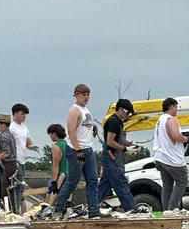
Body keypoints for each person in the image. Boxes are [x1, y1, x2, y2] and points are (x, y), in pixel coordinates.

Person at [53, 85, 100, 219]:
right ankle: (58, 208)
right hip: (75, 149)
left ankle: (94, 210)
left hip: (88, 148)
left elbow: (84, 127)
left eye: (88, 94)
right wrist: (78, 150)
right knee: (72, 180)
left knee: (92, 180)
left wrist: (92, 129)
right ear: (76, 95)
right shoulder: (74, 111)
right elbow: (71, 131)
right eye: (83, 94)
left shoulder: (86, 111)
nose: (86, 97)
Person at [97, 99, 137, 212]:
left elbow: (119, 138)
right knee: (121, 182)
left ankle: (92, 205)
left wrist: (129, 143)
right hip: (111, 156)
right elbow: (110, 141)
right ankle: (132, 209)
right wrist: (125, 149)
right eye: (127, 112)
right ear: (119, 109)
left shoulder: (118, 121)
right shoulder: (113, 122)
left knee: (105, 183)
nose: (128, 115)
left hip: (112, 156)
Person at [152, 97, 189, 212]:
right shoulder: (171, 119)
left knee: (167, 184)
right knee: (182, 182)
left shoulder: (159, 121)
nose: (177, 110)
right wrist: (186, 139)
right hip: (171, 158)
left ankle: (166, 210)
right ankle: (172, 208)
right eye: (176, 107)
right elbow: (176, 136)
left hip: (160, 157)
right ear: (172, 106)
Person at [10, 104, 38, 213]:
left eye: (25, 114)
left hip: (22, 160)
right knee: (14, 187)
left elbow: (28, 143)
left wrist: (33, 146)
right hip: (14, 161)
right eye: (22, 114)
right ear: (15, 113)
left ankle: (16, 210)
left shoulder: (25, 128)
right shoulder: (11, 127)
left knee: (21, 188)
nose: (24, 116)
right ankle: (14, 210)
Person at [0, 114, 19, 212]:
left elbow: (6, 152)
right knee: (12, 191)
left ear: (2, 124)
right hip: (13, 165)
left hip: (7, 165)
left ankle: (8, 211)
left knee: (5, 191)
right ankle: (13, 211)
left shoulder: (4, 135)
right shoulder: (10, 134)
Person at [46, 123, 68, 204]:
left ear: (54, 133)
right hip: (67, 175)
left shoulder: (56, 146)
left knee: (48, 201)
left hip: (59, 175)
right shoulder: (67, 145)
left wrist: (54, 181)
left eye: (50, 134)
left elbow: (56, 164)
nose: (50, 136)